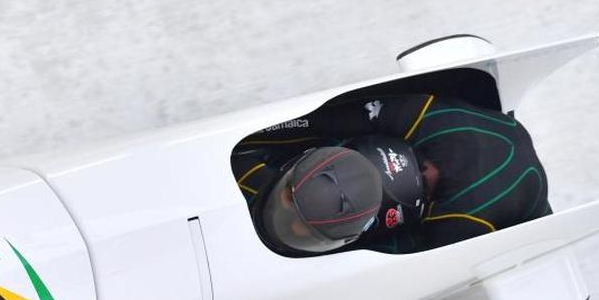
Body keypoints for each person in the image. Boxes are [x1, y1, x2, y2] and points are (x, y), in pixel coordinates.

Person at [232, 93, 552, 254]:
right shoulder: (420, 116)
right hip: (459, 129)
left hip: (513, 203)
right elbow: (326, 122)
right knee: (344, 122)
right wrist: (246, 141)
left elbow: (399, 261)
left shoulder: (459, 221)